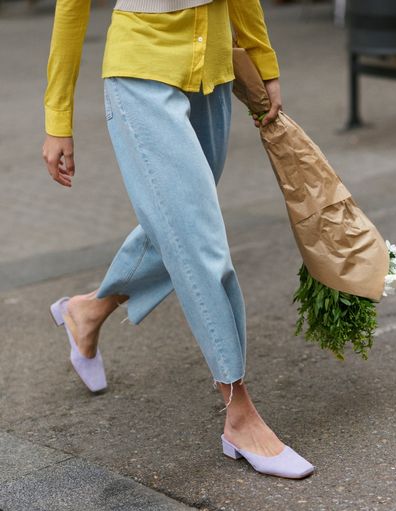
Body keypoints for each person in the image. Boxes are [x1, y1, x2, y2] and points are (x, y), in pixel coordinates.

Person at [42, 0, 314, 479]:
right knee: (200, 242)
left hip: (213, 71)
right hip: (140, 71)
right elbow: (70, 8)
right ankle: (239, 414)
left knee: (177, 223)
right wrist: (57, 118)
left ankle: (86, 310)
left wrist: (262, 59)